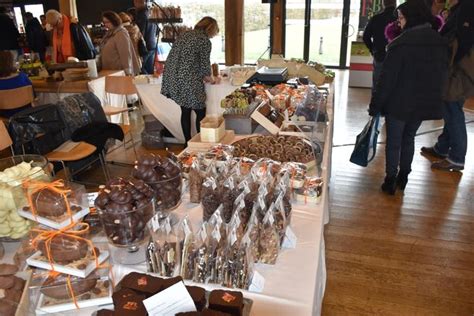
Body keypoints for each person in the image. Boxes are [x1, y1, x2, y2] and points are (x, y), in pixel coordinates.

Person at [368, 0, 448, 195]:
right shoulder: (439, 41)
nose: (399, 22)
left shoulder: (400, 44)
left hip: (399, 103)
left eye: (401, 18)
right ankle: (404, 176)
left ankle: (390, 179)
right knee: (409, 138)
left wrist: (375, 105)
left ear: (411, 18)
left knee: (394, 141)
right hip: (423, 102)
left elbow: (386, 81)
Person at [421, 0, 474, 171]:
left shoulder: (468, 6)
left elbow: (463, 38)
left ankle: (457, 158)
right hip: (460, 67)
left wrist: (452, 64)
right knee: (451, 106)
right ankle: (442, 148)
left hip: (460, 69)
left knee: (452, 108)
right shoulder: (461, 7)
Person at [161, 16, 219, 145]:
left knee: (185, 110)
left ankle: (187, 143)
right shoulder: (204, 40)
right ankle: (202, 143)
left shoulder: (185, 35)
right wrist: (212, 79)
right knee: (200, 112)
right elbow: (204, 65)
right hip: (189, 79)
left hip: (173, 76)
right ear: (211, 29)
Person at [363, 0, 397, 92]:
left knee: (377, 86)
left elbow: (366, 37)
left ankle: (375, 106)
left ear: (383, 3)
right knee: (395, 86)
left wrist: (372, 50)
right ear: (395, 3)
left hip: (379, 55)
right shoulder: (400, 19)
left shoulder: (376, 18)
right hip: (397, 57)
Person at [99, 11, 140, 76]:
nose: (105, 25)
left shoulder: (121, 33)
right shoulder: (110, 33)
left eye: (107, 22)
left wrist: (128, 72)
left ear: (114, 21)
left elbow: (125, 54)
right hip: (110, 71)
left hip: (119, 72)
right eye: (104, 22)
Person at [0, 51, 33, 118]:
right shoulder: (23, 77)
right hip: (25, 119)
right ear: (12, 62)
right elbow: (33, 96)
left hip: (4, 122)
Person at [134, 0, 158, 74]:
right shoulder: (151, 13)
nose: (135, 4)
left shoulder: (141, 15)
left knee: (139, 69)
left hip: (145, 47)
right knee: (150, 71)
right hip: (152, 45)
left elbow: (140, 33)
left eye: (137, 2)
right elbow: (157, 31)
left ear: (144, 2)